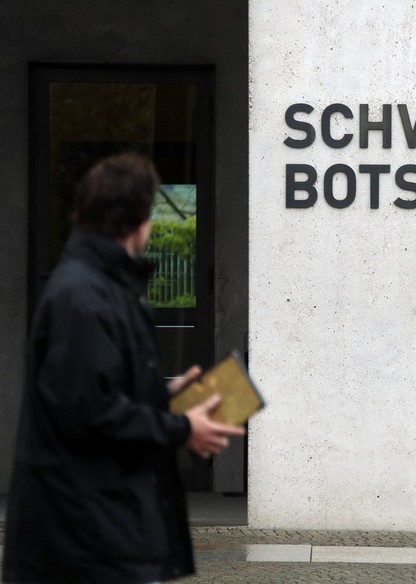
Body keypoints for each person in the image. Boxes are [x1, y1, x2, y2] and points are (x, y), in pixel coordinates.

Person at [2, 154, 246, 583]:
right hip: (84, 543)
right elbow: (89, 412)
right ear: (137, 220)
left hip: (102, 532)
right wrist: (182, 428)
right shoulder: (82, 296)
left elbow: (97, 387)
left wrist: (163, 392)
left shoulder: (102, 286)